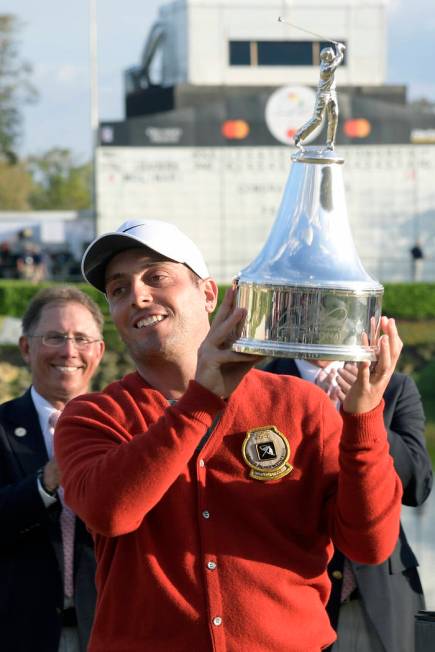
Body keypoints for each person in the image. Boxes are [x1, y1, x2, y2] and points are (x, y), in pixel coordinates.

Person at [55, 219, 403, 652]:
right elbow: (111, 513)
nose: (138, 296)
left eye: (156, 277)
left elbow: (369, 545)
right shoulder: (92, 414)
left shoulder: (300, 404)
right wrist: (203, 399)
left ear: (207, 294)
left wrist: (365, 417)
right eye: (118, 290)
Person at [265, 356, 432, 652]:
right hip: (287, 591)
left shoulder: (393, 386)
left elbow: (417, 486)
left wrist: (367, 413)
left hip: (381, 588)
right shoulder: (260, 381)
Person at [0, 286, 105, 652]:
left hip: (107, 628)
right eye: (55, 337)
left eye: (81, 339)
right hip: (18, 631)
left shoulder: (125, 428)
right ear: (26, 348)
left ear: (99, 351)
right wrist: (46, 482)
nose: (69, 351)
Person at [294, 42, 345, 150]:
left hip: (332, 92)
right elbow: (339, 59)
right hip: (323, 94)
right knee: (317, 119)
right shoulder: (326, 69)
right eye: (331, 55)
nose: (333, 56)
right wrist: (339, 49)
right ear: (327, 58)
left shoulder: (328, 61)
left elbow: (336, 58)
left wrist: (338, 49)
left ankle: (330, 144)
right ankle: (298, 137)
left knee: (334, 116)